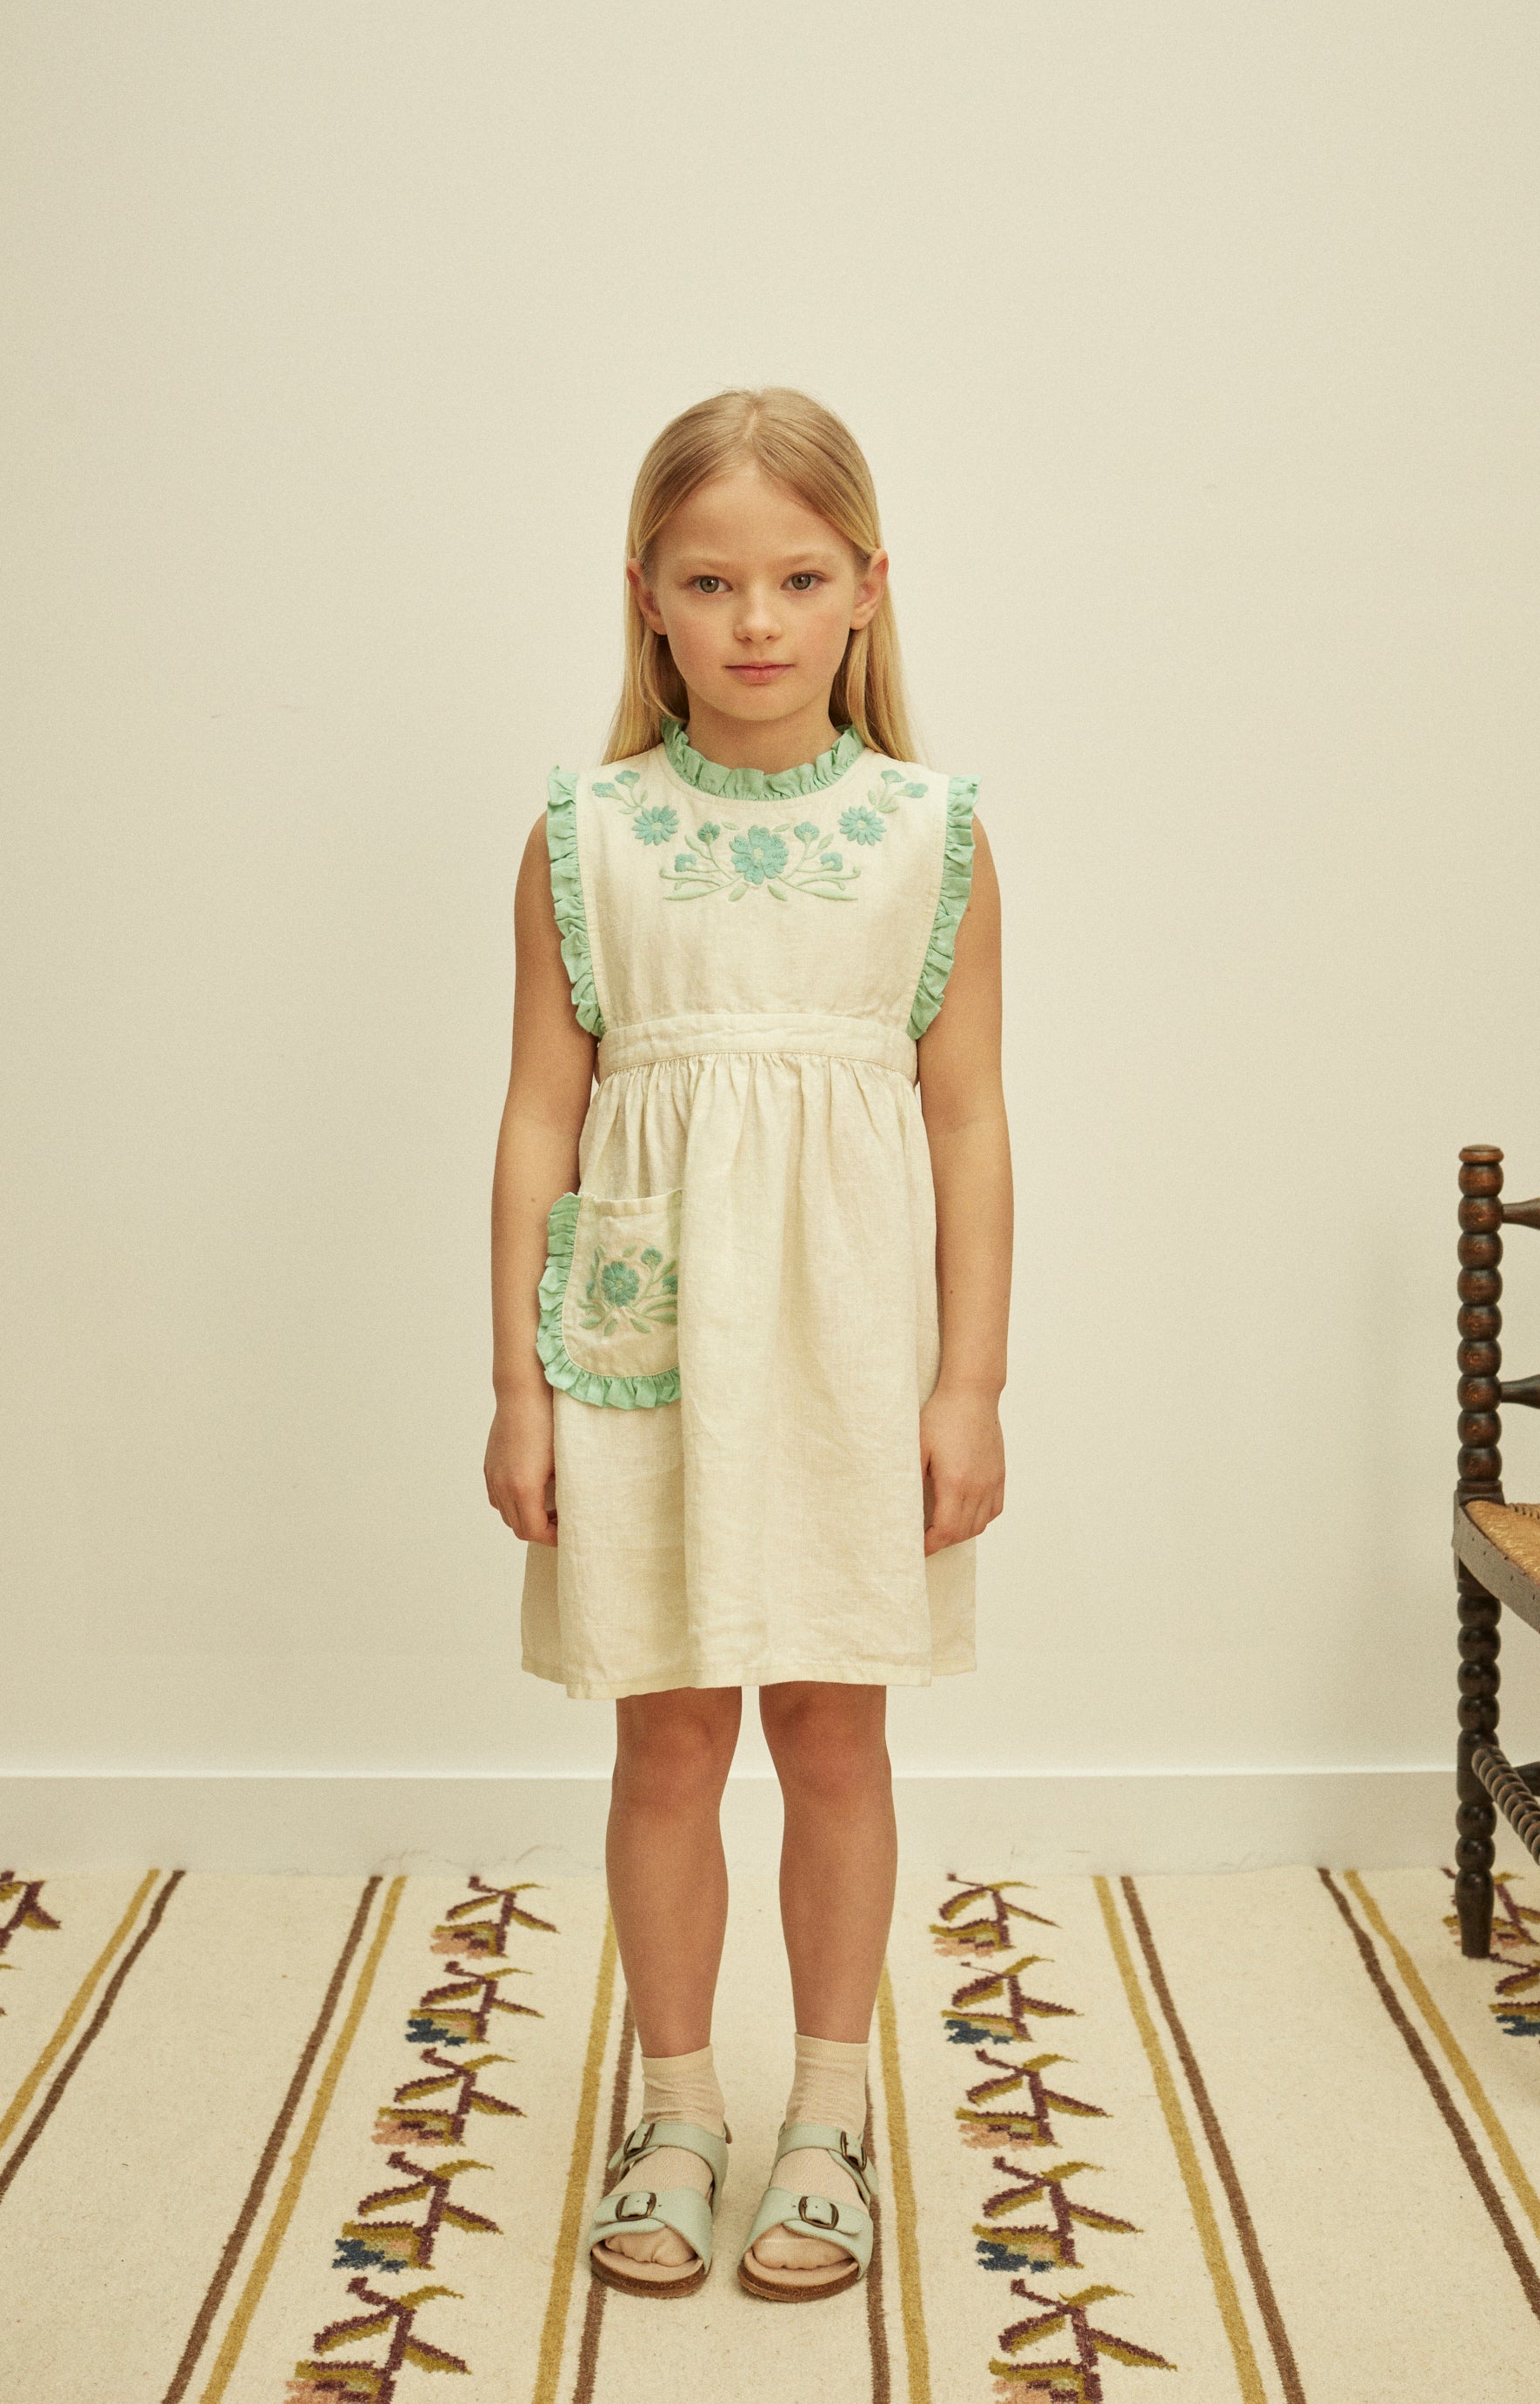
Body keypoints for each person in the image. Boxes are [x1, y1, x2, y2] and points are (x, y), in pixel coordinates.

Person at [483, 385, 1012, 2302]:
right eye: (711, 582)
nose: (757, 620)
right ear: (646, 595)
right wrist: (516, 1382)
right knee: (669, 1730)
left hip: (855, 1353)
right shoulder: (588, 833)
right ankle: (680, 2107)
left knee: (834, 1728)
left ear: (867, 587)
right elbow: (539, 1117)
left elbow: (969, 1119)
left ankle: (828, 2116)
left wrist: (970, 1383)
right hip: (642, 1346)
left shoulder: (930, 835)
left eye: (797, 578)